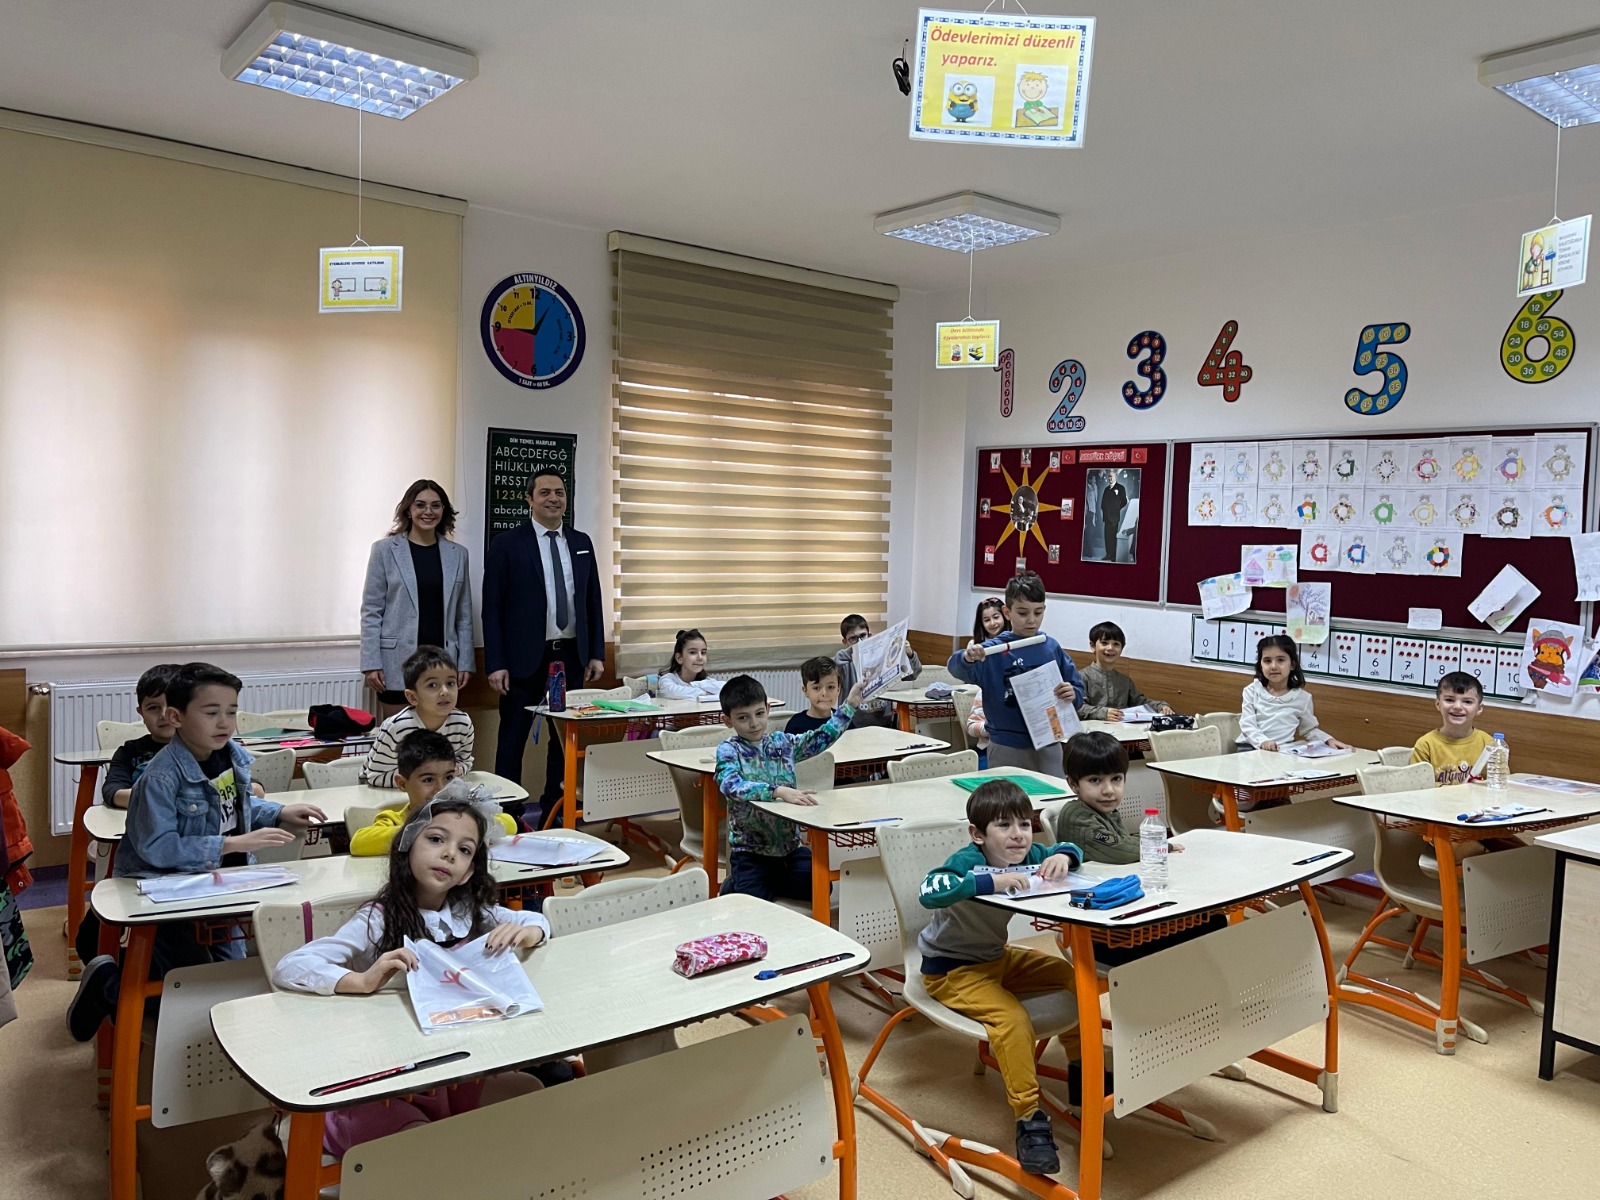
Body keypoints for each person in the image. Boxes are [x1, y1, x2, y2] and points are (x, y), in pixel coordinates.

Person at [272, 792, 547, 1157]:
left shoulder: (469, 912)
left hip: (445, 1072)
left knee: (529, 1091)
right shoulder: (378, 918)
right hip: (378, 1082)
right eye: (436, 839)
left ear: (469, 872)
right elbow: (290, 966)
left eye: (464, 850)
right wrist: (362, 981)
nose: (449, 854)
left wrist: (530, 933)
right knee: (422, 1143)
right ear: (407, 847)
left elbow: (534, 920)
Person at [67, 663, 327, 1042]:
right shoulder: (160, 777)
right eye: (211, 712)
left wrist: (279, 812)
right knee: (187, 987)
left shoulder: (230, 757)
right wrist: (230, 844)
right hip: (165, 890)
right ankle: (109, 987)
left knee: (229, 979)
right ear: (177, 717)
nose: (225, 722)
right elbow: (158, 848)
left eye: (231, 711)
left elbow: (233, 809)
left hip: (224, 882)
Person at [917, 779, 1085, 1176]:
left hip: (996, 958)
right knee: (1011, 1019)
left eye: (1025, 824)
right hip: (952, 970)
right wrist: (987, 881)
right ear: (978, 834)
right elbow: (929, 889)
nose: (1018, 835)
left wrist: (1065, 856)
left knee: (1071, 976)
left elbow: (1071, 849)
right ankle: (1029, 1120)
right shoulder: (966, 860)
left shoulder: (1029, 853)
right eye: (1004, 826)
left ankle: (1082, 1073)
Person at [481, 469, 605, 826]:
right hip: (522, 661)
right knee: (512, 740)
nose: (554, 498)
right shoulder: (507, 544)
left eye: (560, 492)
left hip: (570, 657)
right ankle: (507, 817)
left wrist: (596, 652)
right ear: (529, 499)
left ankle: (555, 811)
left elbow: (592, 600)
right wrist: (496, 663)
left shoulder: (581, 542)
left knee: (563, 741)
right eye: (545, 492)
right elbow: (492, 608)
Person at [1060, 732, 1223, 968]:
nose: (1108, 790)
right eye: (1095, 780)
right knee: (1210, 925)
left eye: (1116, 779)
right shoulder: (1077, 816)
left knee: (1211, 919)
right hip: (1102, 935)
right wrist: (1163, 846)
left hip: (1122, 915)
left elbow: (1124, 844)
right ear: (1073, 784)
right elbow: (1120, 850)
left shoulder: (1103, 811)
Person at [714, 674, 861, 903]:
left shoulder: (782, 743)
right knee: (754, 905)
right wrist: (777, 791)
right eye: (743, 718)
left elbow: (821, 737)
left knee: (821, 887)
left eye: (759, 714)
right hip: (750, 852)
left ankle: (767, 882)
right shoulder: (729, 750)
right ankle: (736, 884)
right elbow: (730, 784)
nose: (754, 723)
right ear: (728, 720)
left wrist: (849, 705)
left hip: (789, 849)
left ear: (768, 709)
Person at [947, 572, 1085, 775]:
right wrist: (967, 657)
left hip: (1049, 742)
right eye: (1023, 613)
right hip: (1006, 746)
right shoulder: (992, 651)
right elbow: (956, 668)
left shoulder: (1050, 646)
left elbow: (1078, 691)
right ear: (1007, 612)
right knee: (1008, 795)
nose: (1031, 620)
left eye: (1038, 613)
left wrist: (1073, 693)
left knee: (1051, 793)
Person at [360, 480, 475, 713]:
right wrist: (371, 663)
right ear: (408, 510)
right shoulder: (384, 550)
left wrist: (465, 663)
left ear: (443, 511)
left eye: (435, 505)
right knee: (401, 733)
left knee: (436, 733)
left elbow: (463, 617)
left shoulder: (458, 555)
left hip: (442, 665)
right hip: (396, 664)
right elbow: (371, 611)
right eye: (420, 505)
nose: (428, 511)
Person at [351, 732, 517, 856]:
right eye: (428, 780)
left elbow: (510, 824)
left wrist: (470, 826)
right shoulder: (394, 819)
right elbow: (359, 843)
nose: (441, 788)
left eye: (449, 778)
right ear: (402, 784)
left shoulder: (464, 814)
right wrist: (423, 829)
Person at [359, 646, 475, 788]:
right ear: (412, 697)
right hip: (381, 791)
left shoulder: (463, 724)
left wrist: (457, 771)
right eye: (433, 685)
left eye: (450, 683)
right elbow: (374, 776)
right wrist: (423, 779)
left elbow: (465, 761)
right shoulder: (397, 727)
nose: (445, 691)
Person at [1240, 636, 1350, 754]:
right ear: (1260, 665)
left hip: (1280, 752)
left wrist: (1328, 740)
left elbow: (1309, 730)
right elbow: (1247, 725)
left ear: (1292, 664)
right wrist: (1263, 741)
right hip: (1248, 749)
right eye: (1267, 661)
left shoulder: (1303, 698)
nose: (1273, 666)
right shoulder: (1251, 691)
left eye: (1280, 660)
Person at [101, 663, 182, 808]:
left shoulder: (206, 750)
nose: (164, 714)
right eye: (153, 708)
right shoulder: (128, 752)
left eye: (173, 705)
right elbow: (112, 791)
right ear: (142, 714)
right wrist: (156, 799)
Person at [833, 614, 921, 728]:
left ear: (869, 636)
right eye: (853, 639)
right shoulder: (844, 664)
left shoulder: (884, 657)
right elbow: (835, 662)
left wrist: (910, 654)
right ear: (845, 642)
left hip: (885, 723)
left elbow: (913, 674)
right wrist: (857, 649)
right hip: (854, 726)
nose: (859, 641)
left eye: (863, 636)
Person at [1412, 672, 1497, 785]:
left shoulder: (1489, 744)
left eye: (1467, 702)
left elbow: (1500, 783)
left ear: (1479, 708)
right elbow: (1418, 786)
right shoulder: (1425, 745)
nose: (1457, 707)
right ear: (1438, 704)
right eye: (1449, 700)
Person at [1078, 621, 1170, 722]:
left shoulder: (1125, 681)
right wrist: (1103, 713)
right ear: (1093, 646)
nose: (1110, 648)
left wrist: (1160, 706)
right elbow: (1077, 707)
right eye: (1104, 643)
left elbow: (1140, 702)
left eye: (1116, 644)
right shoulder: (1081, 677)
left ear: (1122, 648)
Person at [656, 628, 724, 702]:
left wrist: (698, 686)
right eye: (693, 652)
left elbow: (724, 690)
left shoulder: (706, 680)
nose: (700, 657)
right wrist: (705, 692)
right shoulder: (667, 679)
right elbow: (673, 692)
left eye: (703, 653)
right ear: (679, 658)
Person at [786, 656, 841, 735]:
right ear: (805, 690)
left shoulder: (844, 721)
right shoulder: (796, 725)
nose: (824, 693)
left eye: (830, 687)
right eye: (817, 688)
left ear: (838, 689)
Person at [1099, 471, 1128, 561]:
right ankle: (1108, 555)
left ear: (1116, 477)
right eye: (1109, 477)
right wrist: (1104, 513)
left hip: (1114, 517)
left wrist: (1116, 508)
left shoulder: (1120, 488)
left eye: (1112, 476)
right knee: (1107, 537)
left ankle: (1113, 556)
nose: (1110, 478)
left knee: (1113, 536)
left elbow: (1124, 501)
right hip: (1107, 517)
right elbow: (1103, 503)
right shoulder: (1106, 489)